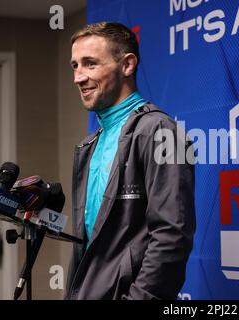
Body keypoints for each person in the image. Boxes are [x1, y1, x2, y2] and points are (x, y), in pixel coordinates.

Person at [64, 22, 196, 300]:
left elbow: (172, 237)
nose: (78, 77)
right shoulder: (91, 143)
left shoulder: (163, 132)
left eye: (89, 64)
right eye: (75, 65)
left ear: (127, 65)